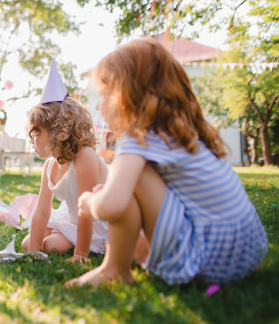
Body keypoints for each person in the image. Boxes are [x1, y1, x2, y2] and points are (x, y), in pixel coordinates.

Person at [68, 38, 268, 287]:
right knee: (128, 200)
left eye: (104, 95)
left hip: (209, 259)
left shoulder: (137, 138)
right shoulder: (180, 132)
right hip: (244, 252)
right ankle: (131, 256)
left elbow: (112, 206)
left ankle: (114, 270)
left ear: (126, 95)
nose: (98, 105)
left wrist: (90, 203)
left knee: (129, 183)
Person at [20, 73, 110, 262]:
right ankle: (57, 239)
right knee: (28, 244)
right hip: (71, 217)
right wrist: (33, 251)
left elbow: (86, 210)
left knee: (52, 245)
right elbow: (42, 210)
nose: (32, 141)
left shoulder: (84, 157)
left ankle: (75, 244)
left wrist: (80, 254)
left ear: (57, 131)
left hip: (96, 221)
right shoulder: (49, 165)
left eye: (37, 134)